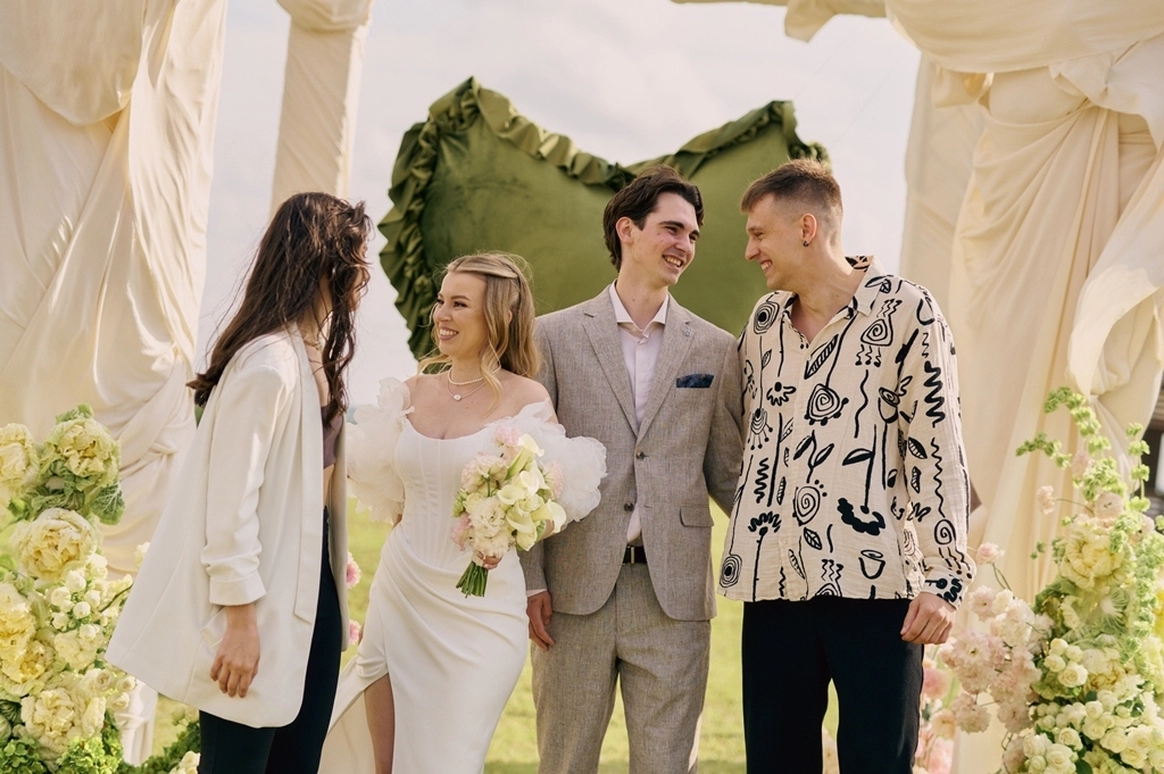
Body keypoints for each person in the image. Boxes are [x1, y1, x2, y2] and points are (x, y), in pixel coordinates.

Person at [722, 158, 976, 772]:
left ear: (806, 228)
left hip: (877, 589)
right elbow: (747, 435)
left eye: (759, 234)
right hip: (774, 586)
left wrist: (945, 578)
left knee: (878, 763)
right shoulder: (763, 324)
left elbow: (937, 447)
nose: (750, 251)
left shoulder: (908, 312)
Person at [108, 192, 372, 773]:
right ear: (326, 262)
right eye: (356, 258)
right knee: (237, 765)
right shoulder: (267, 365)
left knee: (296, 763)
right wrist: (241, 623)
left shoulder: (314, 360)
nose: (364, 276)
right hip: (259, 598)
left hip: (314, 590)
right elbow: (229, 507)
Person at [320, 252, 606, 774]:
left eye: (459, 304)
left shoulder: (527, 399)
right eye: (440, 301)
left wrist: (511, 524)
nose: (442, 315)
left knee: (447, 760)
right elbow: (372, 477)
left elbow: (553, 504)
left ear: (497, 317)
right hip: (402, 592)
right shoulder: (411, 392)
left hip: (480, 612)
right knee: (387, 764)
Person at [521, 166, 744, 774]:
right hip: (571, 593)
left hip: (673, 597)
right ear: (627, 230)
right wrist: (532, 581)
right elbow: (527, 468)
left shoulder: (715, 348)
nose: (685, 245)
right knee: (564, 763)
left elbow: (729, 474)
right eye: (672, 229)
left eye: (693, 235)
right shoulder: (551, 337)